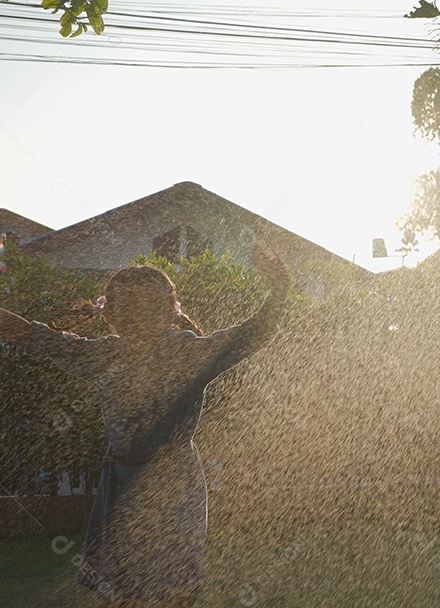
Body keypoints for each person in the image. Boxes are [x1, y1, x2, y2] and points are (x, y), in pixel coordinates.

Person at [0, 241, 290, 607]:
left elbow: (253, 333)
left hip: (172, 485)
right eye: (128, 308)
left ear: (170, 312)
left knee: (172, 591)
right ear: (110, 315)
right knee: (117, 593)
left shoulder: (187, 353)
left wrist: (279, 287)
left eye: (148, 307)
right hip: (121, 484)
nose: (138, 315)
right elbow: (38, 338)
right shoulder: (104, 355)